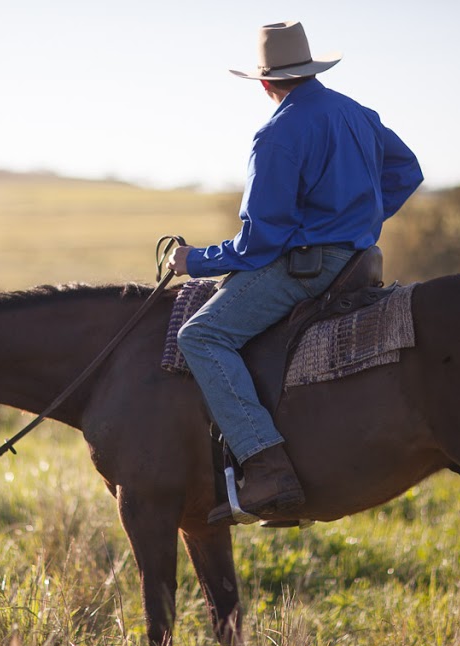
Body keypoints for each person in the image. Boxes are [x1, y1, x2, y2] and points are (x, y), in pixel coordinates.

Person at [167, 21, 423, 524]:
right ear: (309, 69)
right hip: (359, 262)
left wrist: (192, 260)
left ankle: (266, 467)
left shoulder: (277, 133)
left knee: (201, 335)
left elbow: (260, 240)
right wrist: (360, 218)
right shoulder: (357, 113)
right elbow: (406, 171)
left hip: (309, 268)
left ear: (264, 83)